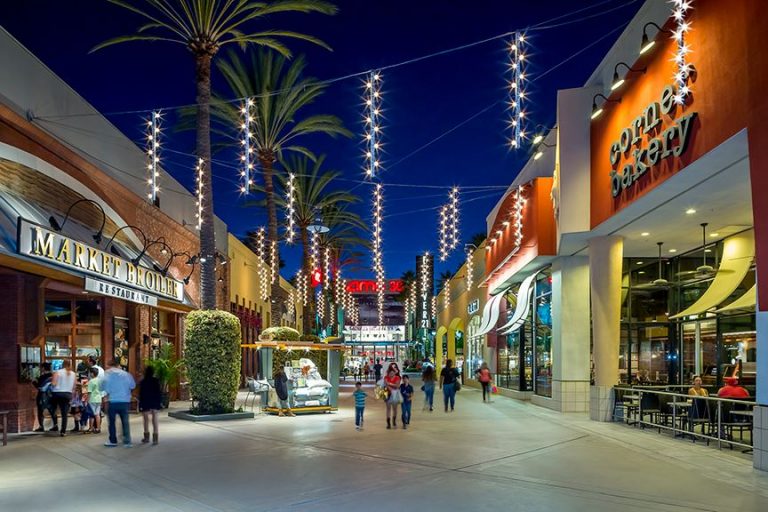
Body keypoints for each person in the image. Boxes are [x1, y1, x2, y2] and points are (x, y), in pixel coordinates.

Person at [101, 359, 136, 447]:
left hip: (112, 400)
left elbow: (103, 386)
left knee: (112, 422)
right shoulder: (126, 374)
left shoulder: (107, 373)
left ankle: (113, 441)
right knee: (125, 421)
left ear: (110, 365)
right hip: (125, 401)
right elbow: (133, 385)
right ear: (117, 365)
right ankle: (127, 441)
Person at [50, 360, 76, 436]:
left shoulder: (57, 372)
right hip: (68, 394)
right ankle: (63, 431)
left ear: (62, 364)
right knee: (64, 413)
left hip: (57, 394)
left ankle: (55, 423)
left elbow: (53, 384)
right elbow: (74, 387)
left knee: (52, 408)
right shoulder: (73, 374)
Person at [138, 366, 162, 445]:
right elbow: (158, 393)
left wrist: (140, 404)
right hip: (154, 401)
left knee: (145, 419)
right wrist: (159, 403)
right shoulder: (156, 381)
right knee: (155, 419)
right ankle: (155, 438)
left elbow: (141, 394)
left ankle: (146, 437)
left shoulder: (143, 382)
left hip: (146, 402)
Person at [32, 362, 55, 432]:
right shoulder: (53, 376)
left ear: (43, 368)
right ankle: (55, 425)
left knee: (40, 411)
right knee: (52, 410)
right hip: (51, 395)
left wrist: (33, 382)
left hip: (42, 395)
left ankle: (41, 426)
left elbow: (39, 386)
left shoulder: (42, 377)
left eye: (41, 367)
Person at [85, 367, 103, 434]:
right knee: (97, 414)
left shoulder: (91, 381)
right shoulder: (100, 381)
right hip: (99, 399)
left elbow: (89, 392)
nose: (89, 374)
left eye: (90, 373)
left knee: (91, 415)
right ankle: (98, 428)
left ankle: (91, 428)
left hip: (92, 399)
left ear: (92, 374)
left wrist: (87, 400)